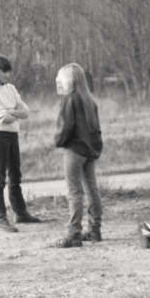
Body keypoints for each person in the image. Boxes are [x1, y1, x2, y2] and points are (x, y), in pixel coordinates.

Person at [0, 55, 40, 232]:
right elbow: (1, 117)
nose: (7, 75)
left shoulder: (11, 89)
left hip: (13, 135)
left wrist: (11, 111)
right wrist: (14, 112)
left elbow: (26, 111)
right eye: (3, 71)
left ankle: (20, 213)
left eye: (8, 71)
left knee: (15, 175)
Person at [53, 62, 103, 247]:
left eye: (61, 79)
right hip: (89, 151)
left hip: (74, 151)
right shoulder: (89, 99)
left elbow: (65, 128)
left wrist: (58, 141)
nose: (58, 82)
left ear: (69, 81)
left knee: (74, 192)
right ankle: (95, 230)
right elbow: (96, 129)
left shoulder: (70, 99)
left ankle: (74, 234)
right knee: (92, 189)